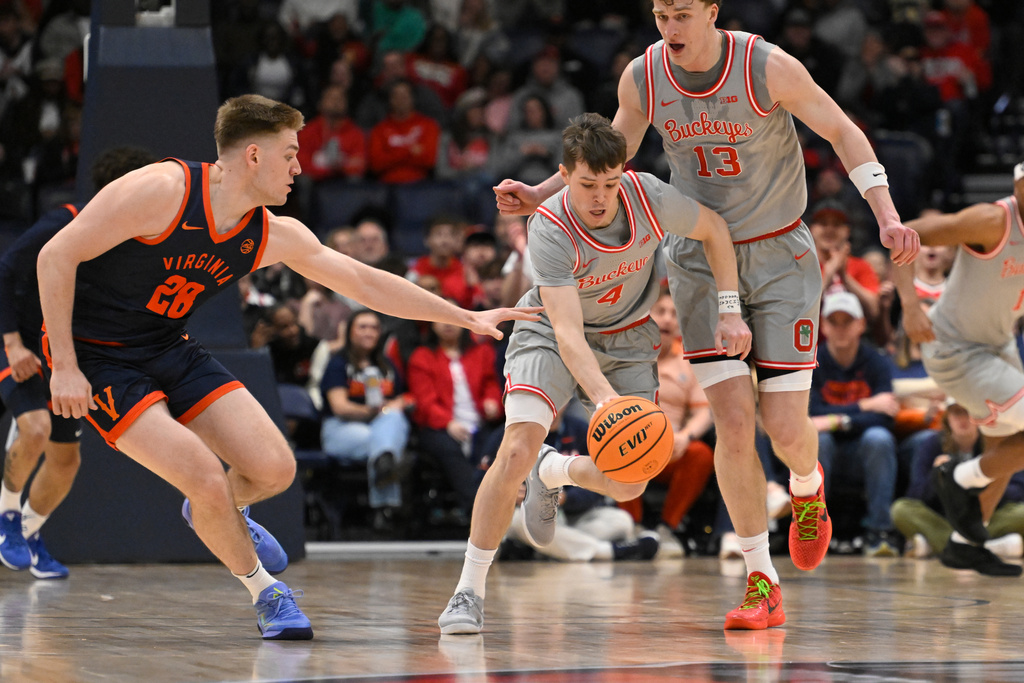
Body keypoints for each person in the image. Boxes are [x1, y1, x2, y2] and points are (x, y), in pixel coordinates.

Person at [35, 94, 541, 641]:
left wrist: (465, 315)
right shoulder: (162, 190)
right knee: (206, 476)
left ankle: (218, 512)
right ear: (253, 156)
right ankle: (265, 593)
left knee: (275, 469)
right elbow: (54, 256)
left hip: (165, 343)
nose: (301, 167)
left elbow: (365, 283)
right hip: (96, 354)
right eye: (291, 153)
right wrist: (64, 364)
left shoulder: (273, 232)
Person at [494, 0, 919, 629]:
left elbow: (843, 131)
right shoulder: (642, 76)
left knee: (784, 426)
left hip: (779, 254)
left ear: (712, 12)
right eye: (662, 15)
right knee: (734, 424)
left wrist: (884, 211)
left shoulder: (765, 65)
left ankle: (807, 486)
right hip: (698, 258)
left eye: (683, 15)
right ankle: (760, 580)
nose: (670, 30)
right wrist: (541, 194)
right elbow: (612, 157)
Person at [438, 112, 749, 635]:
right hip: (551, 333)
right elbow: (567, 333)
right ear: (565, 175)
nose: (600, 197)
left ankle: (553, 471)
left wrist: (730, 307)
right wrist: (607, 402)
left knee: (631, 484)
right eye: (587, 185)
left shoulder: (648, 196)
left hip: (627, 339)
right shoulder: (550, 226)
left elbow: (715, 230)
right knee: (514, 450)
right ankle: (468, 591)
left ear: (623, 174)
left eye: (609, 183)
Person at [0, 146, 156, 579]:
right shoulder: (67, 218)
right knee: (36, 428)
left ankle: (28, 533)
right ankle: (8, 517)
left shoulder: (135, 239)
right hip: (19, 337)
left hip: (63, 348)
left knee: (67, 461)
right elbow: (5, 270)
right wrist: (13, 344)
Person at [893, 160, 1024, 577]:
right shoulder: (990, 220)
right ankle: (961, 476)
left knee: (1010, 444)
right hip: (953, 348)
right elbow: (902, 234)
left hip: (998, 342)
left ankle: (964, 542)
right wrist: (910, 305)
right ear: (1019, 185)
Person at [618, 285, 715, 558]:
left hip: (671, 448)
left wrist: (686, 436)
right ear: (646, 315)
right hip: (630, 443)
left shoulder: (687, 359)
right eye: (661, 311)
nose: (668, 318)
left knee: (701, 454)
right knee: (612, 446)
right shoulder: (626, 352)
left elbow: (704, 412)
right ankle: (633, 529)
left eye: (674, 313)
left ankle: (667, 529)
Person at [809, 291, 900, 557]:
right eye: (833, 322)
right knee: (819, 439)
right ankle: (813, 531)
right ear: (823, 326)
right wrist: (864, 406)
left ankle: (880, 531)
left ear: (861, 324)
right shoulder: (812, 363)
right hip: (826, 450)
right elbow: (810, 415)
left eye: (846, 321)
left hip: (864, 451)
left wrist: (836, 420)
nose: (840, 328)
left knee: (879, 438)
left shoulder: (876, 362)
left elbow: (886, 414)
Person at [891, 401, 1024, 571]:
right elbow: (915, 493)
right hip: (945, 519)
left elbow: (1018, 490)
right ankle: (991, 547)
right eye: (957, 413)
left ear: (979, 416)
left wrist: (984, 479)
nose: (964, 419)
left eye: (968, 412)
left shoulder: (996, 441)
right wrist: (937, 479)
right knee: (901, 509)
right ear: (947, 417)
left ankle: (940, 546)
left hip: (987, 518)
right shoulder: (932, 444)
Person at [320, 309, 409, 526]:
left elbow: (404, 397)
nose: (369, 332)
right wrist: (375, 411)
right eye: (363, 327)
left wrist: (396, 405)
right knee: (384, 442)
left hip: (380, 425)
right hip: (341, 428)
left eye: (374, 327)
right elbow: (339, 407)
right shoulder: (338, 364)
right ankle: (387, 509)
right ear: (350, 332)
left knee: (393, 422)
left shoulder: (387, 365)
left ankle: (384, 462)